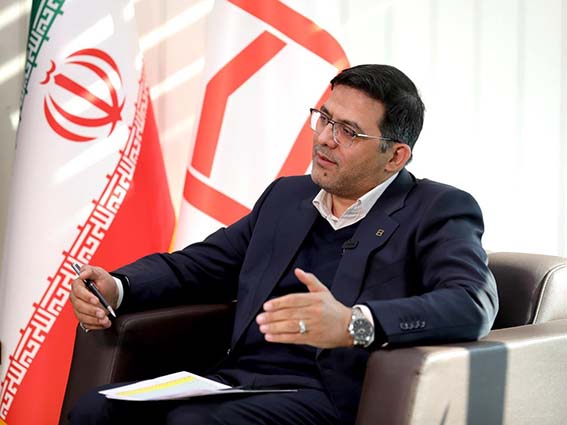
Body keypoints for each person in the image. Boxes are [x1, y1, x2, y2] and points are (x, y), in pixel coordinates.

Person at [68, 64, 498, 425]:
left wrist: (354, 324)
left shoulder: (436, 209)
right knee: (96, 410)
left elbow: (472, 302)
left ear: (396, 156)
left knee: (192, 423)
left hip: (334, 395)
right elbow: (200, 265)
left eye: (348, 132)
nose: (325, 138)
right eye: (324, 118)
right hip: (239, 381)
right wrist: (118, 286)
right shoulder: (286, 197)